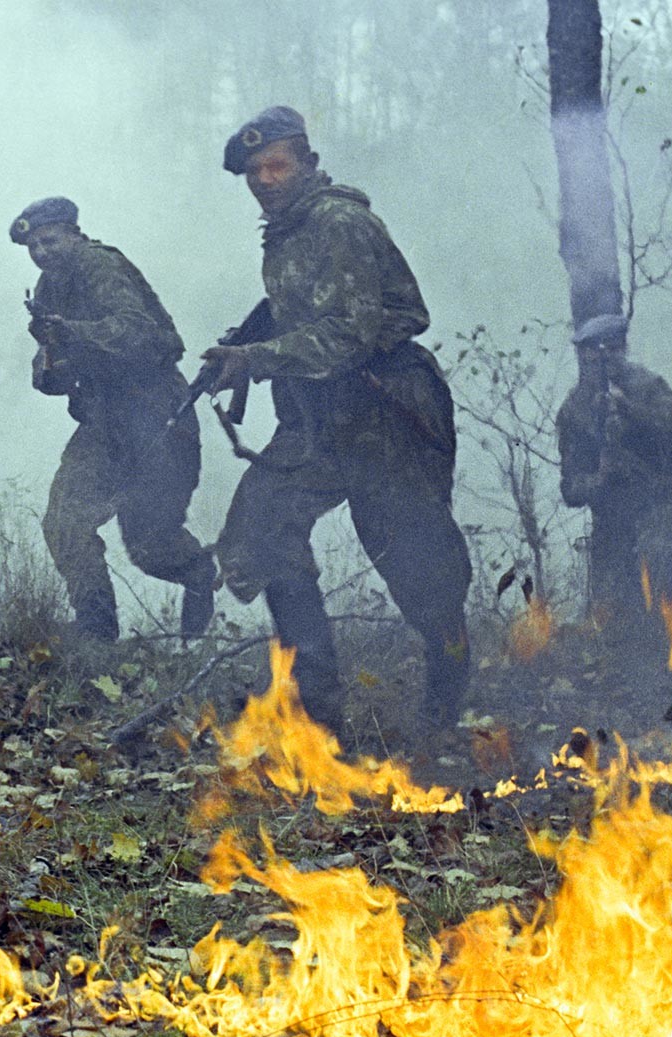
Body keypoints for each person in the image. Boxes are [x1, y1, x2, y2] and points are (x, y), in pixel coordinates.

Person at [199, 106, 472, 755]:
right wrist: (249, 341)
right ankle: (316, 714)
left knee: (413, 560)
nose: (265, 179)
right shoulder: (287, 233)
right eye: (255, 172)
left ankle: (447, 702)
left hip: (385, 408)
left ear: (308, 164)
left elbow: (351, 332)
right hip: (321, 414)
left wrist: (257, 360)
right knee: (261, 527)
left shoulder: (339, 222)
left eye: (277, 166)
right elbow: (301, 307)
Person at [11, 197, 217, 641]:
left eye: (49, 241)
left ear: (73, 233)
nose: (41, 252)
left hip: (157, 413)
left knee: (150, 545)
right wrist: (49, 368)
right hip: (104, 421)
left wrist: (72, 332)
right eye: (33, 247)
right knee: (65, 521)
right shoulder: (49, 288)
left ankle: (199, 575)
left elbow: (141, 335)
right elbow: (56, 365)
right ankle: (96, 631)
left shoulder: (99, 267)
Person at [555, 313, 672, 645]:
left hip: (659, 500)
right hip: (612, 512)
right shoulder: (575, 410)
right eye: (591, 353)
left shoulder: (648, 388)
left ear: (622, 348)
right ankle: (628, 670)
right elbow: (571, 488)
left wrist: (631, 410)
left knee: (660, 574)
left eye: (609, 350)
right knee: (613, 605)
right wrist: (600, 478)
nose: (601, 360)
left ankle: (670, 655)